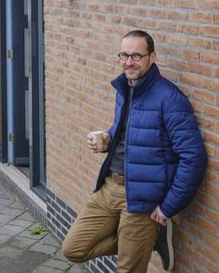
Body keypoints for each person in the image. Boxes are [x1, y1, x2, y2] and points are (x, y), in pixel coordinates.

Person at [62, 30, 207, 273]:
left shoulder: (170, 99)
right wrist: (108, 139)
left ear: (152, 57)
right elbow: (131, 132)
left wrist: (169, 206)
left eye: (137, 56)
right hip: (108, 188)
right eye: (124, 55)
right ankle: (148, 240)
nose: (129, 62)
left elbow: (194, 157)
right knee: (73, 249)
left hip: (141, 199)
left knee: (127, 269)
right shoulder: (125, 89)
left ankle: (147, 235)